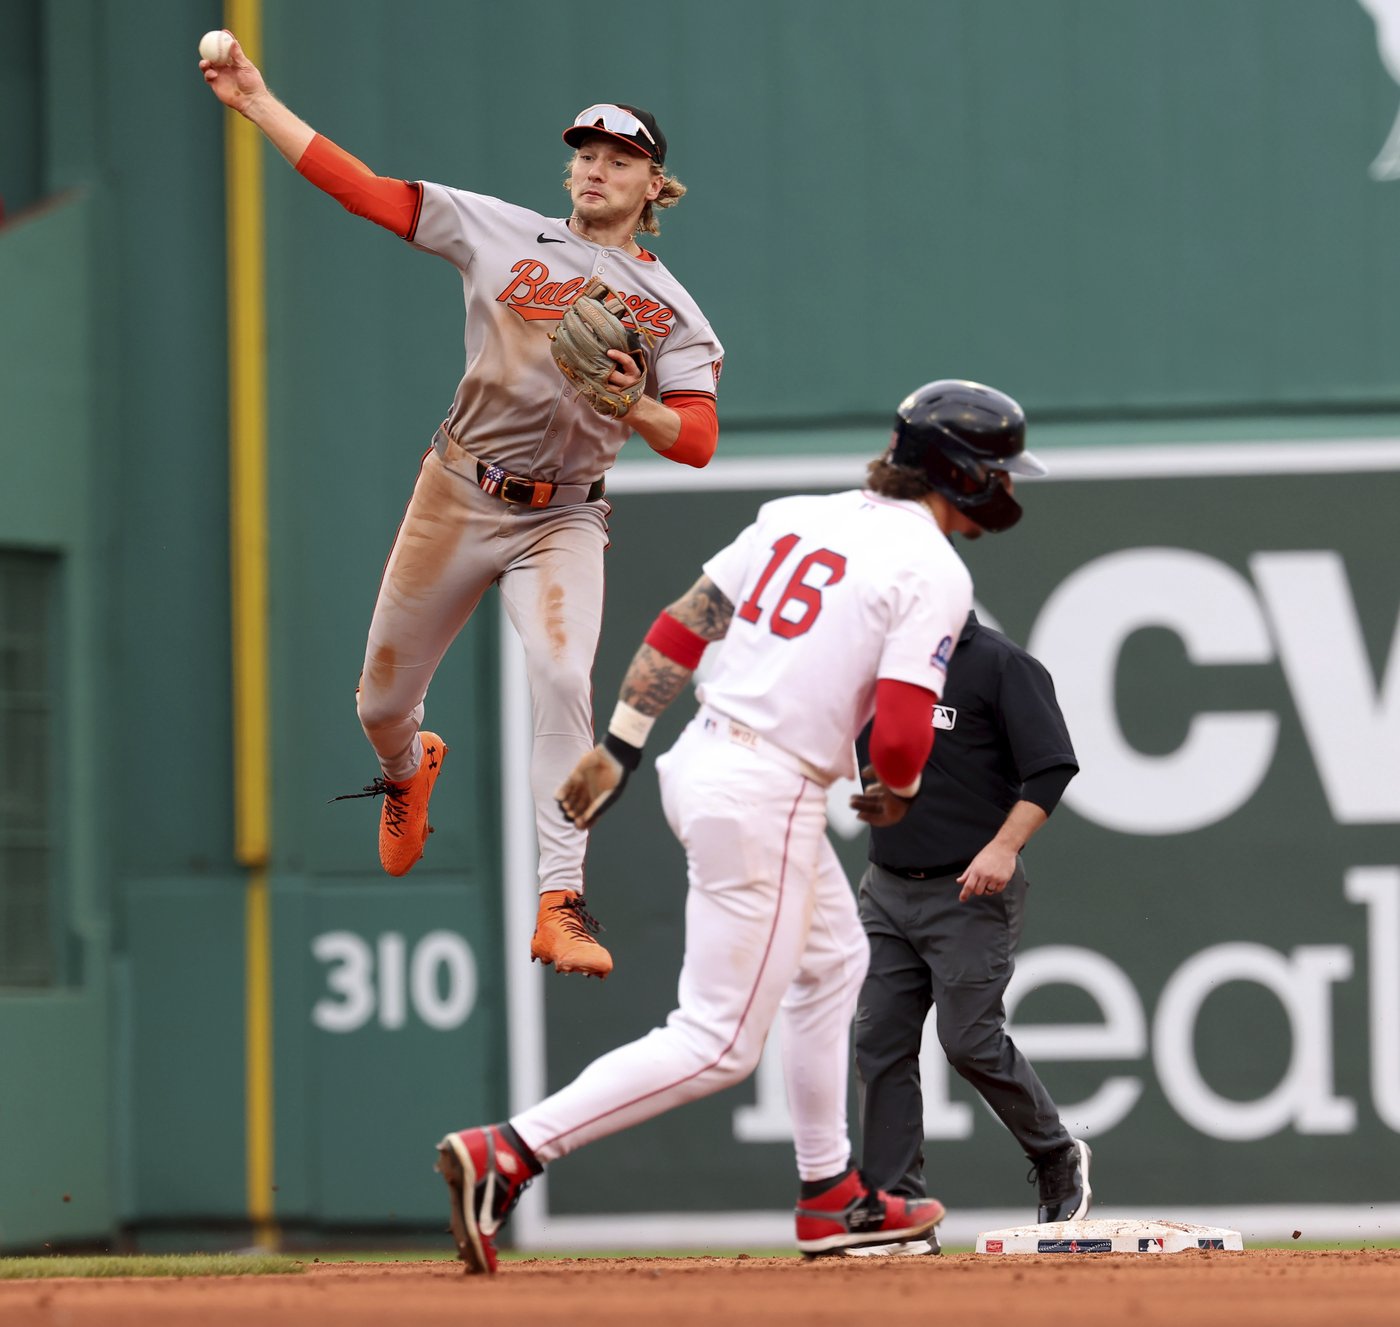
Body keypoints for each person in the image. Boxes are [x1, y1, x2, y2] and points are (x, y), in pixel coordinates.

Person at [431, 379, 1039, 1273]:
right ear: (962, 472)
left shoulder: (798, 515)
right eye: (998, 469)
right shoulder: (933, 569)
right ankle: (512, 1149)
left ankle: (831, 1192)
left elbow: (687, 623)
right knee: (715, 1040)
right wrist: (900, 791)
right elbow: (905, 731)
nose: (1008, 487)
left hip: (707, 758)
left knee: (836, 960)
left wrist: (624, 744)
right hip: (771, 791)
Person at [201, 38, 724, 980]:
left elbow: (697, 437)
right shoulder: (500, 231)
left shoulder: (670, 310)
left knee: (566, 678)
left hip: (562, 516)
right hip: (457, 489)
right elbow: (364, 190)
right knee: (381, 700)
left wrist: (636, 404)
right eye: (586, 155)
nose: (596, 169)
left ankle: (560, 901)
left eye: (620, 159)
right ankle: (408, 770)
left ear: (655, 184)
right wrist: (257, 101)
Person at [845, 402, 1089, 1252]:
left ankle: (1056, 1155)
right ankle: (892, 1207)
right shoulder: (878, 663)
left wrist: (1003, 843)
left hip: (966, 891)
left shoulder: (1001, 665)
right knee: (877, 1040)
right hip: (886, 887)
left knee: (969, 1039)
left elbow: (1051, 766)